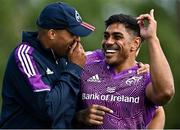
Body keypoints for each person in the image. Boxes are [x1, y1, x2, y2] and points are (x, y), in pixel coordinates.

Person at [0, 2, 95, 129]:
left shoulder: (62, 58)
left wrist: (78, 117)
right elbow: (48, 109)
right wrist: (74, 69)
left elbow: (63, 106)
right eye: (73, 34)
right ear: (52, 34)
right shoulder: (25, 55)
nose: (78, 40)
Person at [76, 9, 174, 129]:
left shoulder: (143, 77)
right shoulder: (86, 64)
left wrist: (152, 38)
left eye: (117, 37)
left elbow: (165, 95)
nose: (108, 42)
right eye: (106, 36)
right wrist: (79, 117)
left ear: (135, 43)